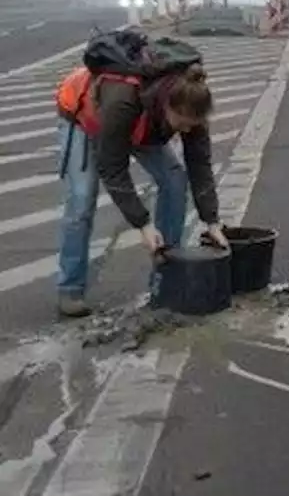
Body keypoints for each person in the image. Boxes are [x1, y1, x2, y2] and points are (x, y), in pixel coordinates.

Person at [53, 29, 225, 318]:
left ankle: (166, 279)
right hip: (85, 119)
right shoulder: (124, 99)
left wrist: (212, 221)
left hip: (143, 129)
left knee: (174, 179)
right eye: (181, 123)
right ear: (167, 104)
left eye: (191, 126)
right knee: (81, 202)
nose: (184, 131)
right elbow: (113, 167)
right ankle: (70, 288)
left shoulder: (192, 105)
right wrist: (143, 224)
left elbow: (200, 165)